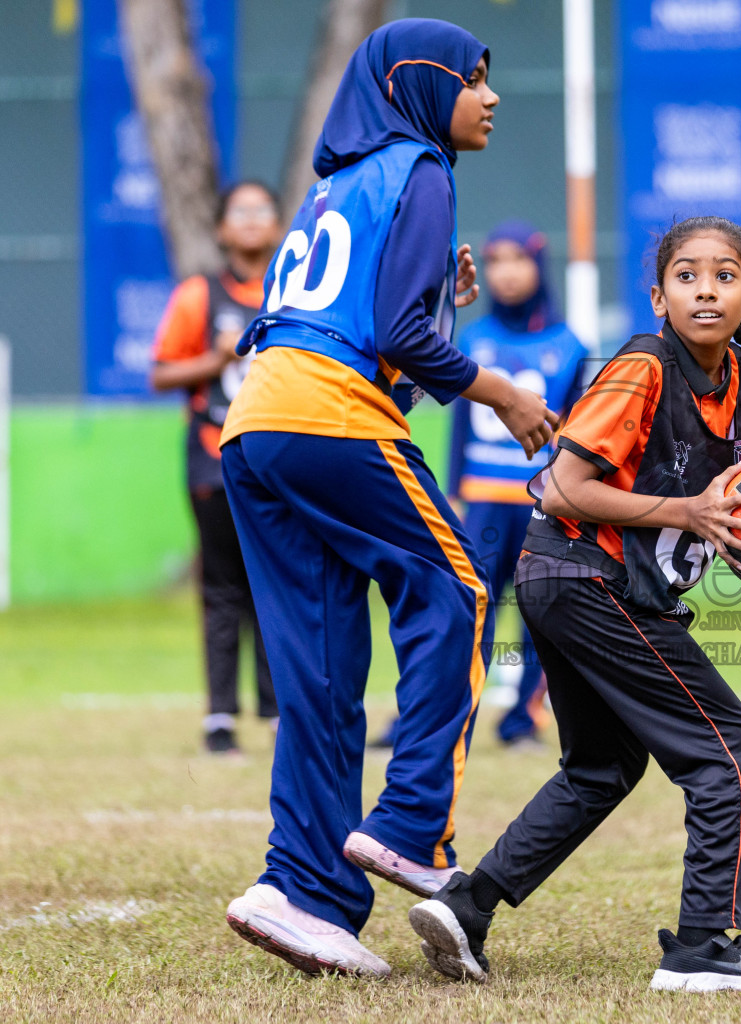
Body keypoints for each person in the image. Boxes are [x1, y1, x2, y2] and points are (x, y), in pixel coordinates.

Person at [218, 19, 556, 978]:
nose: (491, 98)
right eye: (476, 80)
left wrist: (436, 320)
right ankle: (411, 825)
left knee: (321, 679)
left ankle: (301, 893)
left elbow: (370, 336)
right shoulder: (423, 166)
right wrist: (505, 393)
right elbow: (403, 336)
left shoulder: (338, 183)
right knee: (460, 592)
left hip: (257, 428)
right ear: (422, 86)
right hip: (327, 418)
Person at [407, 216, 741, 992]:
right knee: (727, 744)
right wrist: (685, 513)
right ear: (658, 296)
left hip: (575, 583)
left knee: (602, 766)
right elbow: (564, 486)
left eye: (724, 276)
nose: (705, 289)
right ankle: (703, 946)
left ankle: (467, 905)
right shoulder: (642, 367)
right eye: (687, 276)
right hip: (587, 578)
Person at [368, 221, 586, 752]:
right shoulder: (473, 340)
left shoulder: (571, 346)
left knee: (546, 614)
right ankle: (422, 723)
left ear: (540, 265)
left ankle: (520, 722)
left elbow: (579, 432)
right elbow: (461, 429)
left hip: (543, 505)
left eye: (517, 259)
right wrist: (458, 497)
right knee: (458, 612)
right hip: (483, 504)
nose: (505, 272)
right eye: (494, 261)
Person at [150, 181, 283, 757]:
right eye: (240, 211)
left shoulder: (294, 291)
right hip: (213, 456)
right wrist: (218, 356)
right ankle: (220, 718)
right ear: (222, 229)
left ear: (279, 226)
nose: (252, 220)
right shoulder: (199, 295)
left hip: (280, 458)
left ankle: (280, 710)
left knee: (278, 583)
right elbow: (160, 374)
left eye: (263, 210)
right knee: (223, 585)